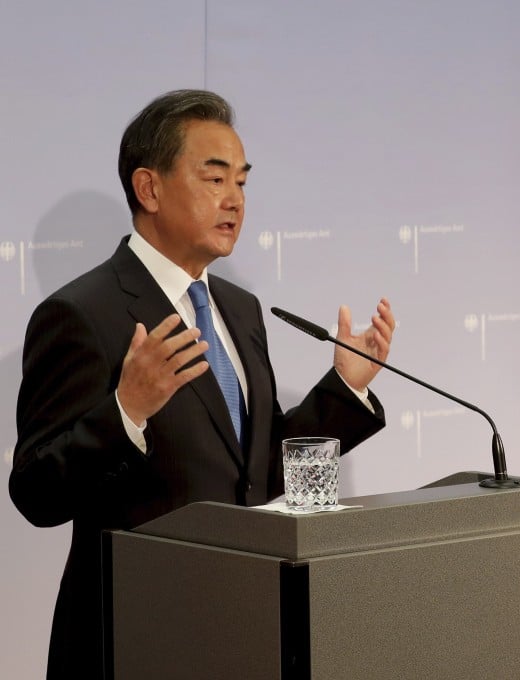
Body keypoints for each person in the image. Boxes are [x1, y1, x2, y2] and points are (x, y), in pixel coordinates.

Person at [8, 89, 396, 679]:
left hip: (245, 629)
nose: (234, 200)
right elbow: (36, 493)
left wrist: (344, 388)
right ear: (149, 189)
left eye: (241, 182)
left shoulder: (239, 309)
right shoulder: (83, 314)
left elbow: (254, 471)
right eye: (214, 179)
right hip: (136, 641)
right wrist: (126, 411)